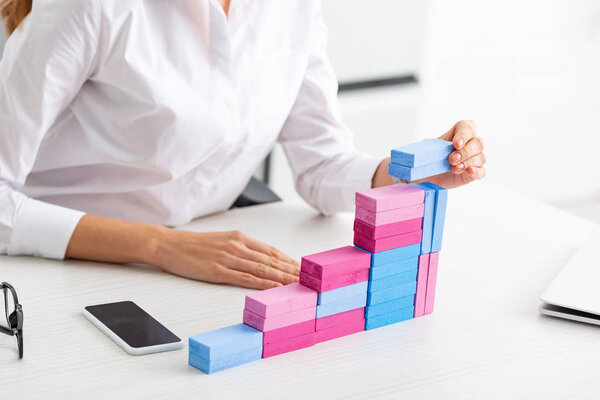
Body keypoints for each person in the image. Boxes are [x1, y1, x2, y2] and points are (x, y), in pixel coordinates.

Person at [0, 0, 486, 290]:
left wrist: (406, 172)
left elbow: (321, 166)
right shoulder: (87, 7)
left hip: (197, 257)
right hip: (52, 262)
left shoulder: (290, 9)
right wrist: (161, 246)